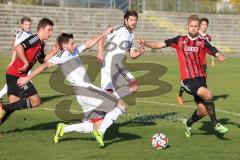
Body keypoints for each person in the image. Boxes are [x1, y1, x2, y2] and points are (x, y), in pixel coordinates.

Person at [17, 29, 128, 147]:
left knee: (95, 125)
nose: (74, 45)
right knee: (121, 105)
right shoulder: (61, 56)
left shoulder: (73, 51)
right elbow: (44, 65)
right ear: (64, 45)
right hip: (87, 90)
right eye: (72, 43)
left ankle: (64, 129)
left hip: (82, 96)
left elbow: (88, 44)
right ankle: (100, 133)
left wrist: (104, 34)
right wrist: (27, 78)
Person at [139, 15, 228, 137]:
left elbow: (212, 49)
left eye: (196, 26)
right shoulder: (179, 40)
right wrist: (146, 43)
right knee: (209, 94)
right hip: (188, 80)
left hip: (201, 79)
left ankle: (188, 123)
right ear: (188, 26)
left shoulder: (202, 41)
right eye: (191, 26)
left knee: (203, 111)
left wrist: (218, 55)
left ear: (199, 27)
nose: (193, 28)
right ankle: (215, 123)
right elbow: (160, 44)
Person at [0, 18, 56, 125]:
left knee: (14, 104)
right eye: (49, 30)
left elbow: (41, 59)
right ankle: (2, 107)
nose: (51, 33)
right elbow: (18, 47)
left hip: (14, 73)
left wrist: (54, 51)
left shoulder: (41, 43)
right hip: (17, 74)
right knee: (36, 101)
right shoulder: (35, 38)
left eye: (52, 30)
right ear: (42, 29)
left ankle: (3, 108)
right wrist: (25, 62)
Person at [97, 10, 144, 98]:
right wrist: (100, 53)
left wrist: (140, 52)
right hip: (111, 63)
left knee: (108, 93)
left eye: (135, 20)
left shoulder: (131, 36)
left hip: (115, 65)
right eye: (131, 19)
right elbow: (102, 37)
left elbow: (132, 55)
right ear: (125, 20)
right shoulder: (119, 29)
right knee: (133, 86)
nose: (134, 22)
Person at [176, 17, 214, 105]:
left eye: (206, 25)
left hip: (202, 62)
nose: (204, 26)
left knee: (202, 80)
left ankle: (201, 99)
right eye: (203, 24)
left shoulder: (208, 37)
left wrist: (212, 60)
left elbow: (210, 49)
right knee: (189, 80)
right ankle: (179, 94)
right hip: (192, 62)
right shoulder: (196, 35)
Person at [0, 16, 32, 102]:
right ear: (22, 25)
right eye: (26, 24)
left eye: (29, 24)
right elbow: (15, 48)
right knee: (27, 80)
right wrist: (12, 61)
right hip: (22, 62)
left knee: (15, 81)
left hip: (28, 62)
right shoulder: (21, 35)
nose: (28, 26)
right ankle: (30, 98)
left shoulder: (30, 33)